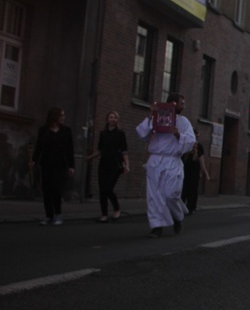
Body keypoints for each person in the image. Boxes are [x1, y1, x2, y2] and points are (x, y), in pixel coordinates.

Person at [136, 93, 196, 238]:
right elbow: (142, 134)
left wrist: (178, 135)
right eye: (182, 103)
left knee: (171, 194)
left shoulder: (184, 122)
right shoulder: (158, 116)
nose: (184, 106)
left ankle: (177, 217)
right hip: (156, 160)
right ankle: (157, 226)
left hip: (172, 161)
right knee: (154, 196)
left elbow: (191, 141)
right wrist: (151, 115)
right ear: (173, 104)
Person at [30, 107, 75, 225]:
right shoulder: (44, 130)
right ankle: (48, 215)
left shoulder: (66, 131)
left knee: (56, 189)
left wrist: (71, 166)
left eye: (63, 115)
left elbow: (70, 149)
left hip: (60, 164)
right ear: (55, 117)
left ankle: (58, 214)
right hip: (47, 163)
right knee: (47, 189)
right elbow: (39, 146)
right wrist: (34, 160)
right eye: (61, 115)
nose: (63, 118)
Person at [87, 111, 130, 223]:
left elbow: (124, 151)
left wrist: (127, 165)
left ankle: (117, 208)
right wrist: (90, 157)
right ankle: (104, 214)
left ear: (117, 120)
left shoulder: (120, 133)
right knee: (102, 189)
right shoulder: (103, 134)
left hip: (115, 164)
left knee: (108, 188)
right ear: (107, 119)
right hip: (104, 163)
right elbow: (100, 150)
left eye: (115, 117)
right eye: (111, 117)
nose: (113, 119)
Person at [181, 129, 210, 215]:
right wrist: (204, 172)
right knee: (189, 189)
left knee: (188, 188)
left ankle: (188, 207)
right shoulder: (191, 146)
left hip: (190, 170)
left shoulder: (193, 146)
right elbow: (202, 162)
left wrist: (203, 172)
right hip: (190, 170)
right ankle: (189, 207)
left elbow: (201, 161)